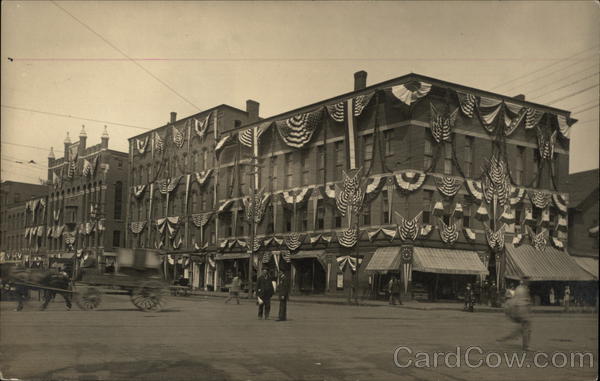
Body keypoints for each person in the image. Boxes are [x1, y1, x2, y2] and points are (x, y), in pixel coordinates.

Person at [498, 277, 532, 351]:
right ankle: (525, 346)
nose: (529, 282)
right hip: (521, 310)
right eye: (527, 281)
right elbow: (520, 301)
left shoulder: (520, 288)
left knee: (523, 329)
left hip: (521, 310)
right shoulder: (522, 289)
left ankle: (506, 338)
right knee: (526, 328)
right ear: (524, 281)